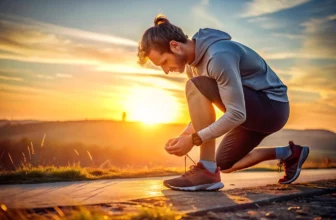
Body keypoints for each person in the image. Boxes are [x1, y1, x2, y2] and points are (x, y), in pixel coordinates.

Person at [137, 14, 310, 191]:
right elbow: (207, 111)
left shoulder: (218, 56)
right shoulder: (192, 67)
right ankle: (289, 153)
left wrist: (194, 139)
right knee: (224, 163)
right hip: (249, 112)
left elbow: (236, 114)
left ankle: (206, 173)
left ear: (175, 46)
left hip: (272, 107)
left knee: (194, 86)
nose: (166, 71)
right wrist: (185, 135)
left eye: (164, 62)